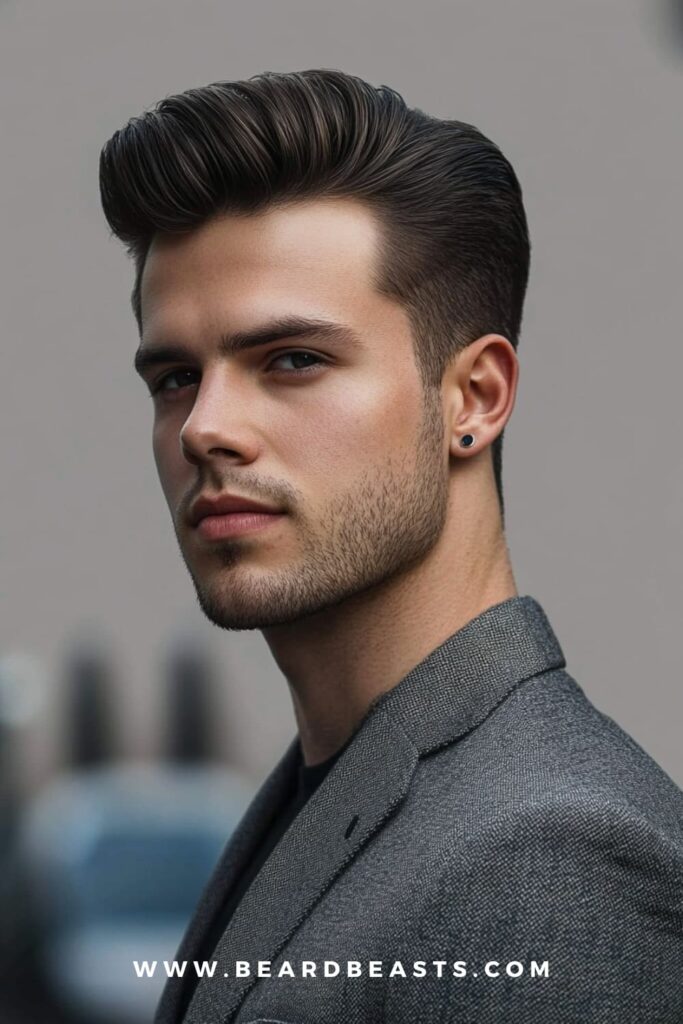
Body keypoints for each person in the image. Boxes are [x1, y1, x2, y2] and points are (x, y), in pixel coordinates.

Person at [98, 68, 683, 1024]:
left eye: (291, 360)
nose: (206, 426)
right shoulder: (330, 795)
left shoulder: (548, 860)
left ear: (475, 399)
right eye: (173, 376)